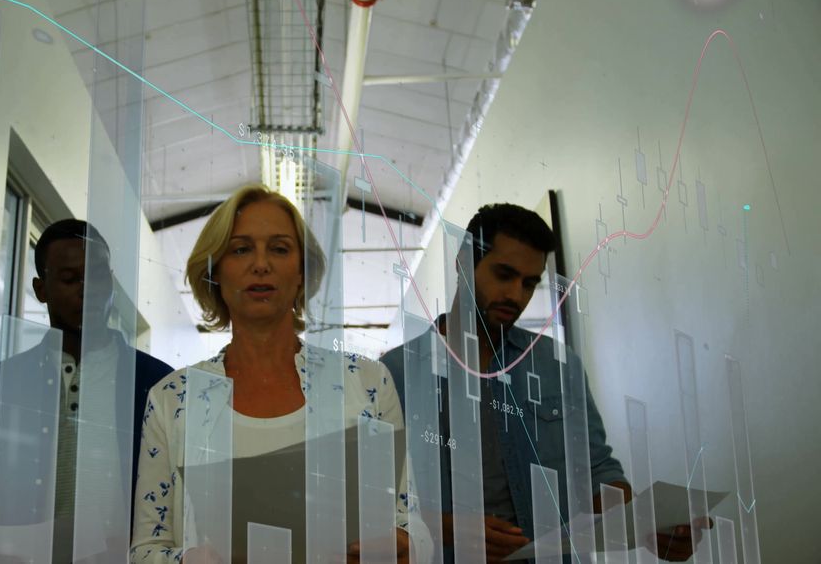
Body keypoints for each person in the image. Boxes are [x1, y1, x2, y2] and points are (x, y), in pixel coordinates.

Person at [379, 203, 706, 562]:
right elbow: (373, 503)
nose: (516, 296)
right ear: (462, 263)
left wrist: (642, 524)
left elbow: (598, 469)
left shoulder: (555, 365)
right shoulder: (394, 374)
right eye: (504, 275)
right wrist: (447, 528)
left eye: (529, 283)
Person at [129, 185, 429, 564]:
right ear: (214, 272)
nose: (261, 264)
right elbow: (144, 551)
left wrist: (404, 545)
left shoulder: (367, 383)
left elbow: (411, 524)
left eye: (280, 248)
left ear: (302, 272)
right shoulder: (173, 398)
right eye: (240, 249)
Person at [0, 219, 173, 563]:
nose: (87, 289)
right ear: (41, 289)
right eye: (69, 279)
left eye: (97, 276)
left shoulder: (157, 385)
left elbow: (182, 505)